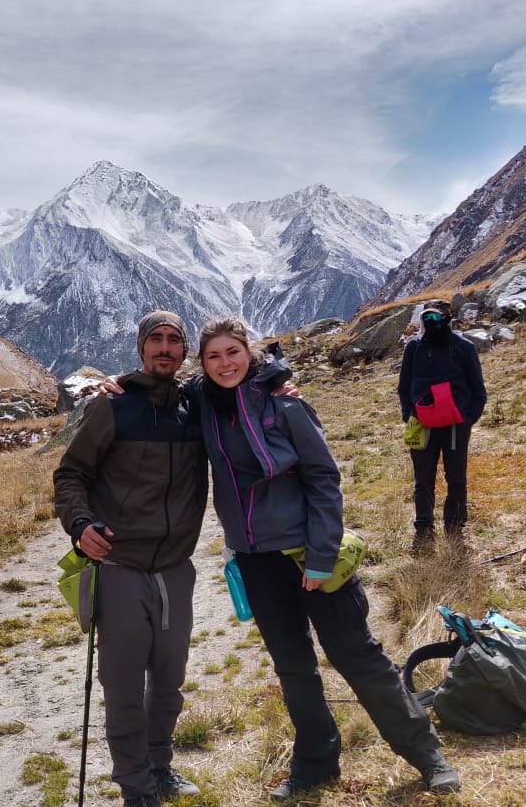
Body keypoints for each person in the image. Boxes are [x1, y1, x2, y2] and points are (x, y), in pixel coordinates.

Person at [194, 316, 461, 800]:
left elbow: (323, 478)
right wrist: (116, 385)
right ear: (203, 364)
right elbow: (155, 392)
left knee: (357, 656)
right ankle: (316, 765)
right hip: (257, 560)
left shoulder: (285, 405)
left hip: (308, 554)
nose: (224, 363)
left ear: (249, 353)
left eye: (232, 351)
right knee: (293, 667)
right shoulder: (205, 408)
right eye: (213, 355)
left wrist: (320, 557)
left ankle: (427, 754)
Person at [53, 311, 205, 807]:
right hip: (118, 568)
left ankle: (161, 767)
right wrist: (80, 525)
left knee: (170, 682)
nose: (165, 348)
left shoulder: (195, 408)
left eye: (174, 341)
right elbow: (70, 475)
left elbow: (246, 378)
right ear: (141, 348)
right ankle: (136, 788)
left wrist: (283, 385)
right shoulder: (112, 407)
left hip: (175, 569)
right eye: (155, 340)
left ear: (185, 352)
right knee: (121, 687)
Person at [397, 302, 487, 553]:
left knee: (456, 477)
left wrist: (469, 418)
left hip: (456, 424)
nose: (431, 321)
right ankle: (423, 529)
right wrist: (410, 415)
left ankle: (455, 528)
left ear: (448, 317)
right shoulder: (414, 348)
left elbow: (478, 389)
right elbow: (404, 386)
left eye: (436, 316)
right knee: (422, 478)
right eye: (426, 316)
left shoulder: (463, 347)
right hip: (421, 422)